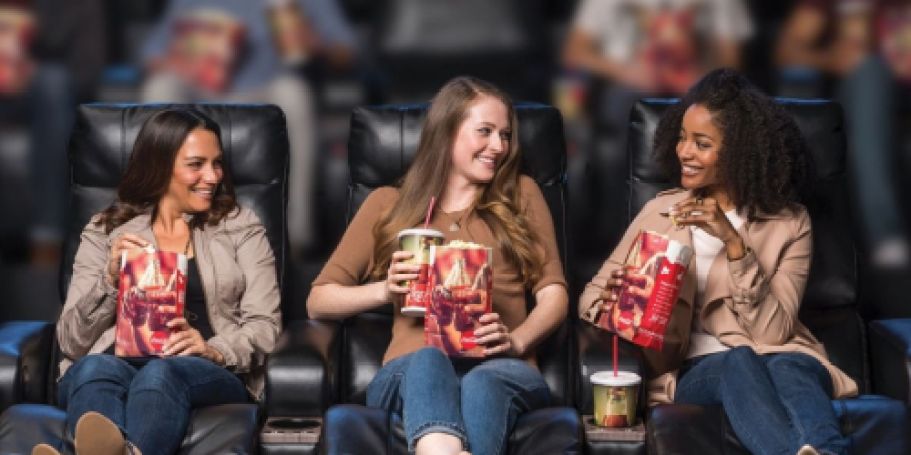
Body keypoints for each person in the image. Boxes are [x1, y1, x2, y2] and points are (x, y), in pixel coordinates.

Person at [579, 69, 858, 455]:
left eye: (702, 143)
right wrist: (613, 303)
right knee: (737, 360)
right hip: (701, 366)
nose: (683, 152)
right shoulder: (660, 212)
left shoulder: (790, 223)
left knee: (791, 365)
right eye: (682, 137)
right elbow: (590, 297)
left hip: (781, 354)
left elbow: (774, 334)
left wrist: (734, 244)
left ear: (739, 153)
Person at [307, 76, 569, 455]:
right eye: (485, 131)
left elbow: (554, 293)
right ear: (446, 133)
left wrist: (517, 341)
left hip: (500, 366)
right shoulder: (386, 204)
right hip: (411, 369)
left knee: (482, 382)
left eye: (505, 135)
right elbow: (318, 301)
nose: (499, 146)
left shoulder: (521, 195)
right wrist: (385, 290)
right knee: (429, 358)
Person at [32, 109, 281, 455]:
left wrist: (215, 349)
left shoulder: (240, 227)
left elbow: (265, 327)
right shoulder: (105, 230)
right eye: (196, 165)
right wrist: (109, 281)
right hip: (110, 363)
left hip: (200, 369)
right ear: (160, 166)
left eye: (217, 164)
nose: (213, 176)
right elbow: (72, 343)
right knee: (93, 367)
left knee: (160, 373)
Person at [140, 0, 358, 255]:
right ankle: (163, 228)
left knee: (294, 93)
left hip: (268, 92)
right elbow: (152, 55)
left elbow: (348, 53)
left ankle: (295, 237)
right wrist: (189, 58)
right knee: (160, 87)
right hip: (200, 92)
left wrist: (313, 43)